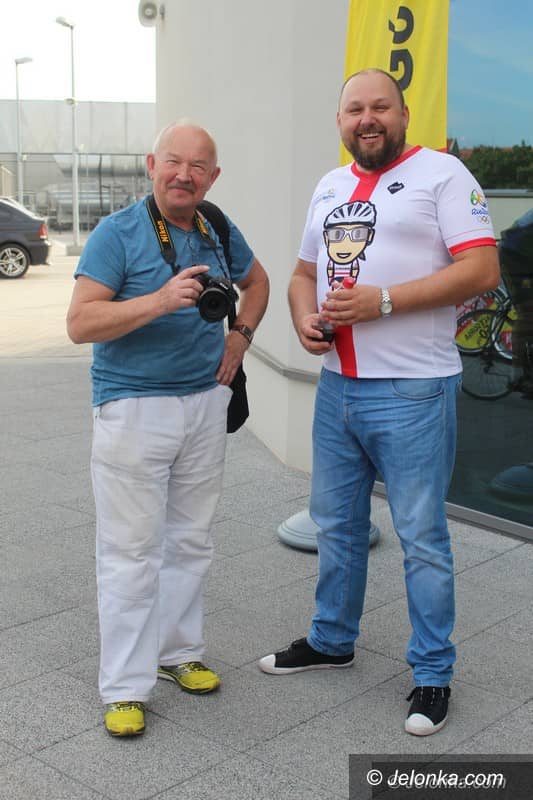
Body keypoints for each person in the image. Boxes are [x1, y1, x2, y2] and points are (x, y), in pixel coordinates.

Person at [259, 69, 500, 736]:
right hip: (337, 385)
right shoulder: (329, 185)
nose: (367, 118)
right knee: (336, 526)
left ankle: (432, 673)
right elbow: (303, 275)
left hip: (412, 391)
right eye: (354, 109)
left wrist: (383, 302)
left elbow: (482, 269)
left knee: (421, 538)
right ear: (340, 121)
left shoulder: (443, 174)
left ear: (403, 114)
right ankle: (331, 640)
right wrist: (304, 320)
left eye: (380, 107)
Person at [67, 122, 269, 737]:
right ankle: (125, 687)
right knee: (130, 551)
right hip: (134, 408)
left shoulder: (216, 226)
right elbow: (80, 323)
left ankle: (178, 653)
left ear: (213, 176)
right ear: (152, 164)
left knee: (191, 540)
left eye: (198, 166)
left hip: (204, 403)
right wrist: (159, 299)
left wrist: (240, 337)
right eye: (173, 162)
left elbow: (257, 283)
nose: (185, 175)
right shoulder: (118, 232)